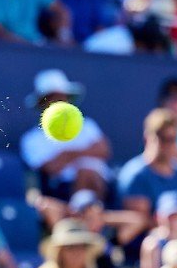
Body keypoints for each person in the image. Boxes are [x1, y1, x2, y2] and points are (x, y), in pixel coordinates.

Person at [117, 108, 177, 240]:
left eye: (172, 139)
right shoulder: (136, 176)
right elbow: (141, 224)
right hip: (150, 249)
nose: (167, 145)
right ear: (147, 137)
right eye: (162, 138)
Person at [18, 69, 109, 204]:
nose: (59, 102)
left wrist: (68, 154)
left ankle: (88, 214)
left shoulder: (88, 125)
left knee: (88, 173)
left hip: (99, 186)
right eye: (52, 98)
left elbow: (104, 150)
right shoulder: (31, 139)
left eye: (63, 97)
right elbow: (49, 168)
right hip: (58, 193)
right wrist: (82, 153)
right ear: (42, 103)